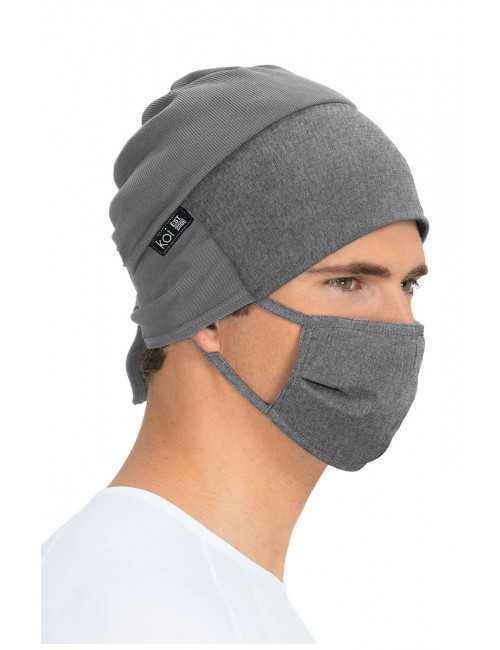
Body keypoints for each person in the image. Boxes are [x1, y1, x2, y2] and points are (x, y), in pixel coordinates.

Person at [41, 65, 430, 643]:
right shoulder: (147, 614)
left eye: (409, 285)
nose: (402, 326)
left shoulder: (191, 587)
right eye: (347, 282)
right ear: (207, 312)